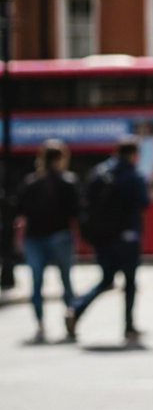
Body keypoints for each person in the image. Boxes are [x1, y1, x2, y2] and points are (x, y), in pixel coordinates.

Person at [67, 138, 151, 344]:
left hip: (102, 237)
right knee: (130, 282)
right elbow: (144, 202)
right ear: (133, 155)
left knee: (106, 280)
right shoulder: (134, 175)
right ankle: (129, 326)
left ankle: (76, 310)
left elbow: (85, 201)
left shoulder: (99, 172)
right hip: (127, 237)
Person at [16, 140, 80, 343]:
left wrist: (19, 239)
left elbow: (20, 215)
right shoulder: (68, 182)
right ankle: (71, 317)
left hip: (34, 238)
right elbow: (75, 215)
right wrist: (77, 239)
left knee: (36, 283)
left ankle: (40, 324)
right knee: (66, 281)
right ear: (60, 159)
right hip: (60, 235)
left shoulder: (31, 182)